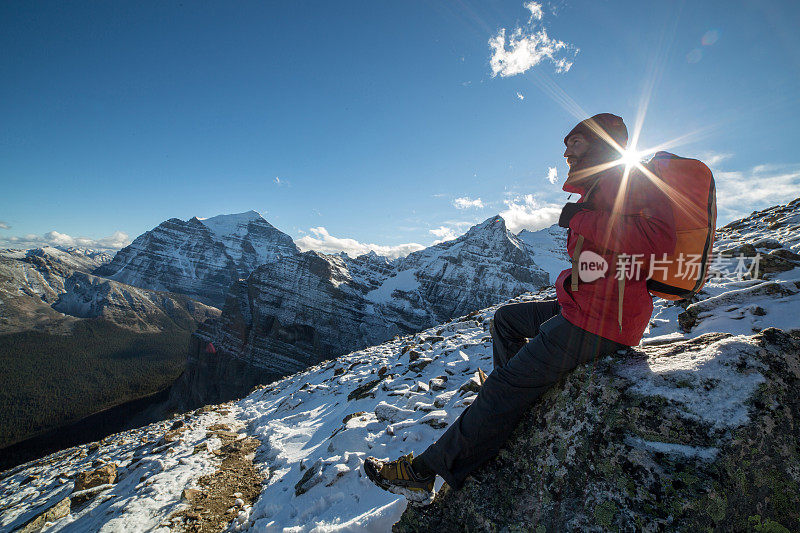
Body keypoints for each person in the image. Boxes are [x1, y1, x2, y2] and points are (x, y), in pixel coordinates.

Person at [364, 113, 677, 504]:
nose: (566, 150)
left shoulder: (625, 183)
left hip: (603, 323)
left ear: (601, 144)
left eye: (575, 143)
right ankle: (510, 402)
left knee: (501, 388)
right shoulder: (600, 188)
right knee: (506, 320)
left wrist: (585, 219)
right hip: (588, 307)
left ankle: (422, 474)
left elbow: (657, 246)